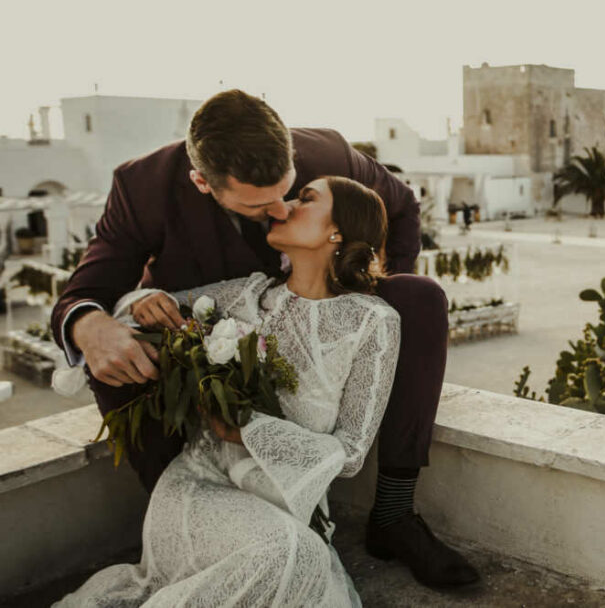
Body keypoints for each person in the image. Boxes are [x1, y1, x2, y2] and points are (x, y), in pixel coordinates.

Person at [50, 90, 478, 588]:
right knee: (118, 353)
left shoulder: (329, 156)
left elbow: (400, 208)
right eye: (258, 204)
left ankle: (395, 513)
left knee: (419, 299)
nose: (281, 210)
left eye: (290, 191)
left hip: (318, 304)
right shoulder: (142, 187)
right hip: (209, 324)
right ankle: (193, 519)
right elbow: (86, 292)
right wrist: (91, 324)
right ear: (201, 183)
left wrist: (361, 291)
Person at [56, 177, 400, 606]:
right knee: (291, 554)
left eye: (305, 199)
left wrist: (248, 431)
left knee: (298, 556)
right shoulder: (246, 295)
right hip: (199, 488)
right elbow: (137, 311)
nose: (285, 206)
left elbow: (350, 453)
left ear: (338, 232)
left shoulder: (373, 322)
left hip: (286, 509)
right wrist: (145, 300)